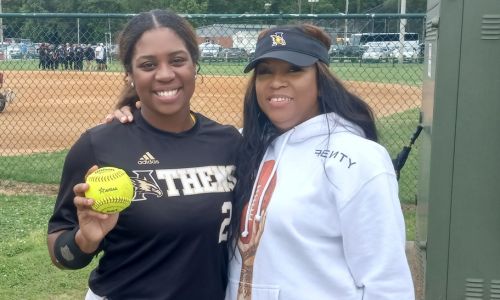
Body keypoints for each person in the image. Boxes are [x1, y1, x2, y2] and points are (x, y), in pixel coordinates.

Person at [109, 24, 414, 299]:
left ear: (321, 79)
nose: (275, 82)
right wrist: (135, 118)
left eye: (294, 70)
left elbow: (387, 282)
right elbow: (182, 139)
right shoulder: (243, 145)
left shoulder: (358, 159)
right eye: (265, 71)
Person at [47, 9, 241, 300]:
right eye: (148, 64)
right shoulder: (99, 145)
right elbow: (61, 254)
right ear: (129, 73)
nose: (165, 74)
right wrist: (84, 239)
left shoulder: (229, 142)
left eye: (177, 60)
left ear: (194, 65)